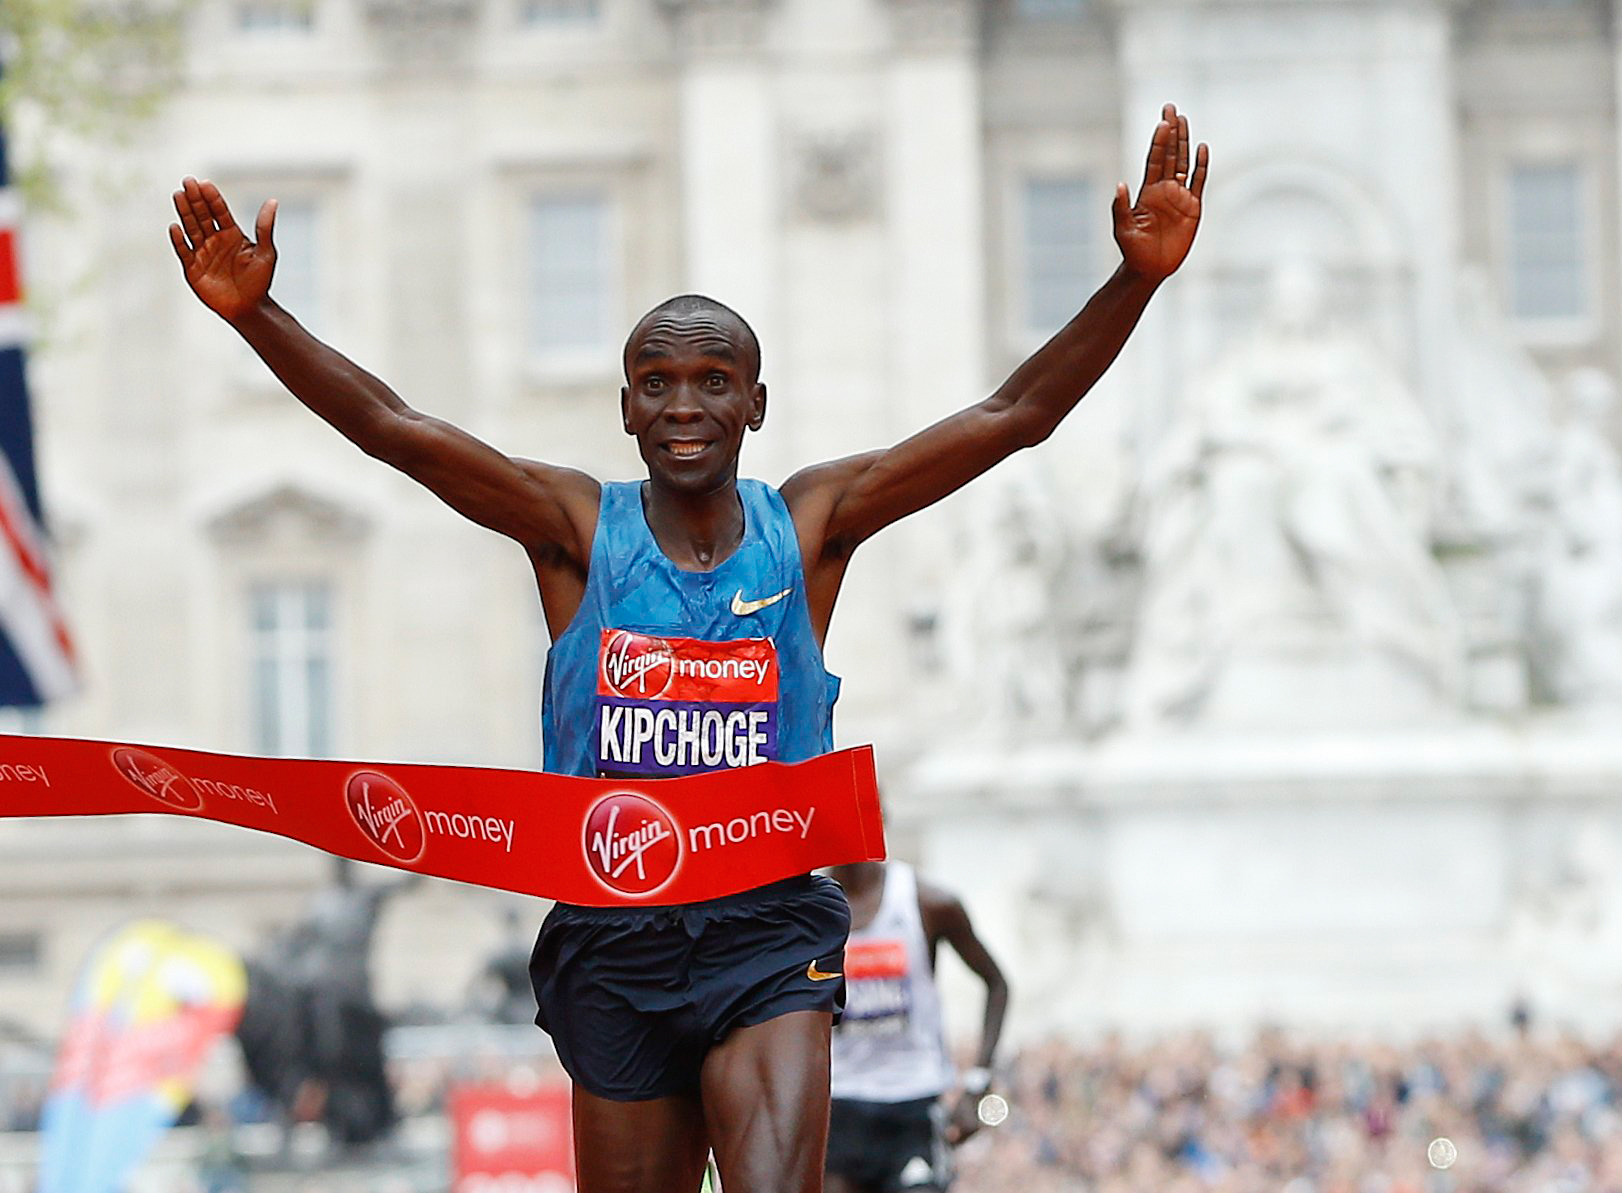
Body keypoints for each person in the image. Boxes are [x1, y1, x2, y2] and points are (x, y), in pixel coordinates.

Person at [168, 103, 1206, 1193]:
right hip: (615, 934)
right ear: (625, 406)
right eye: (657, 383)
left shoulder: (809, 525)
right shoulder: (576, 529)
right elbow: (397, 431)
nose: (684, 405)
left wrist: (1132, 282)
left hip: (767, 932)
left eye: (714, 380)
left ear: (755, 402)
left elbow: (1011, 414)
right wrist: (260, 317)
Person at [823, 860, 1008, 1193]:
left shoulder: (927, 903)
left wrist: (978, 1083)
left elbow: (997, 984)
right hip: (839, 1105)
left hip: (912, 1105)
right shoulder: (809, 909)